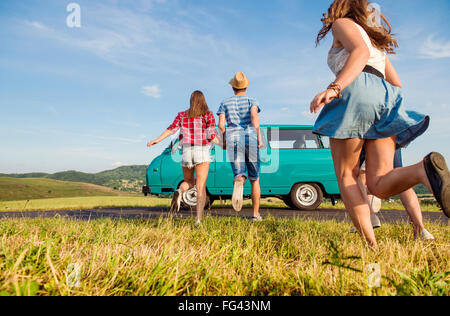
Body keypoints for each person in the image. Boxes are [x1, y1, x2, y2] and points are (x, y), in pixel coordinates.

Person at [310, 0, 449, 248]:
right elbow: (396, 83)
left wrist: (335, 87)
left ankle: (371, 246)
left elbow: (359, 52)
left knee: (347, 175)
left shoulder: (342, 24)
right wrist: (375, 97)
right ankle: (422, 170)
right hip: (385, 96)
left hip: (355, 92)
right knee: (379, 183)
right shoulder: (375, 42)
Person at [147, 91, 218, 226]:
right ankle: (198, 219)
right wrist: (223, 144)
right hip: (201, 151)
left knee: (188, 182)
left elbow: (171, 129)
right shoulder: (207, 115)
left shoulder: (182, 115)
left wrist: (157, 140)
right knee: (200, 187)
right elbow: (211, 135)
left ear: (191, 101)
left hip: (186, 151)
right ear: (203, 100)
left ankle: (179, 191)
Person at [350, 148, 435, 241]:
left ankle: (368, 217)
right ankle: (420, 229)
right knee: (400, 180)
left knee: (359, 176)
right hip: (392, 138)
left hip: (369, 137)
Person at [218, 72, 263, 221]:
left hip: (233, 138)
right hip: (250, 137)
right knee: (255, 179)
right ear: (246, 86)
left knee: (239, 173)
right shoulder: (252, 100)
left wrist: (224, 141)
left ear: (233, 87)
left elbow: (221, 125)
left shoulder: (225, 103)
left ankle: (239, 179)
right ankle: (255, 215)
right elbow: (254, 117)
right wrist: (259, 136)